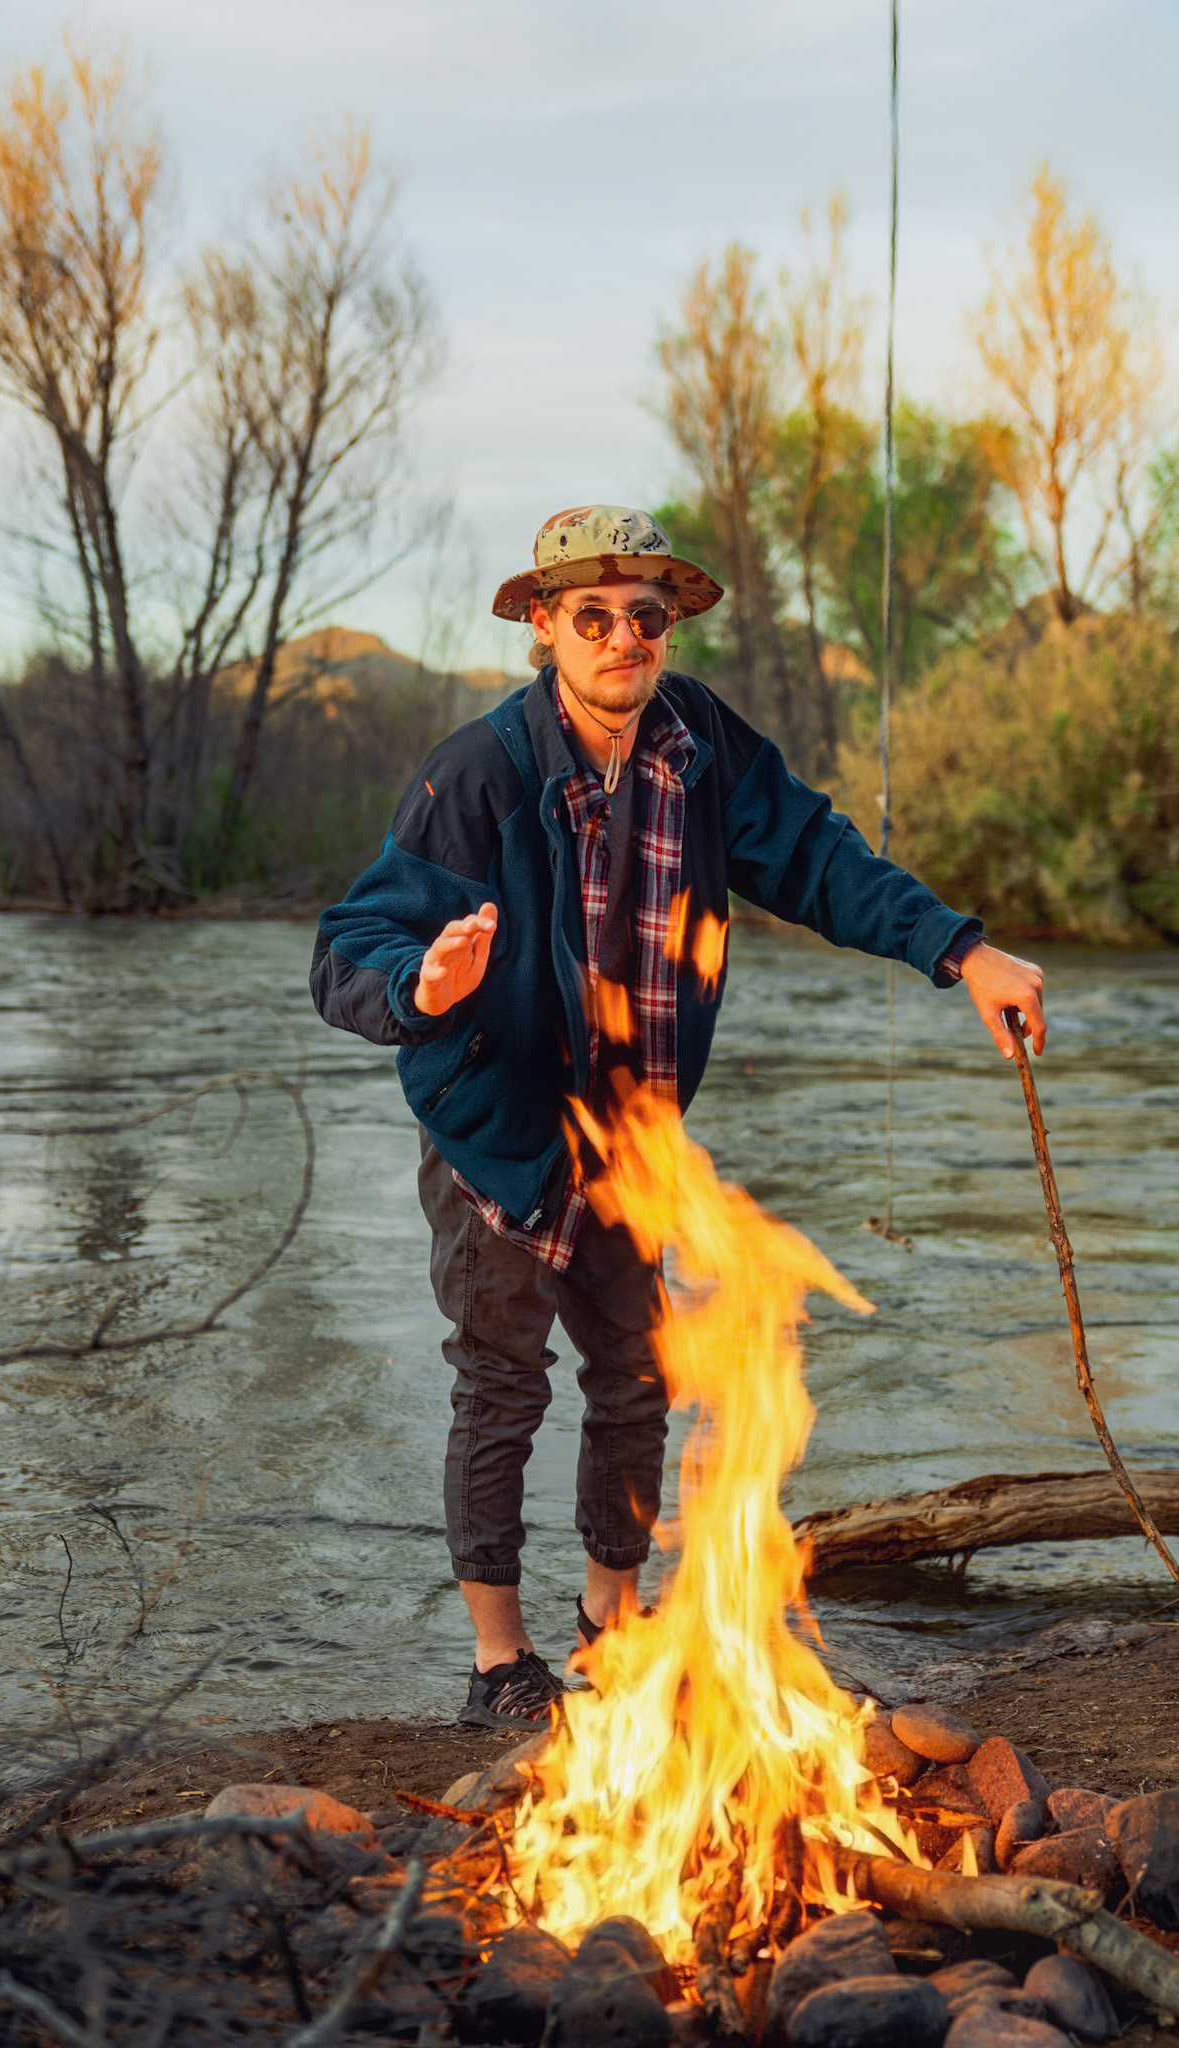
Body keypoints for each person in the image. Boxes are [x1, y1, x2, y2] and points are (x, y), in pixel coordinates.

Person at [311, 504, 1046, 1729]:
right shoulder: (479, 771)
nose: (622, 638)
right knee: (499, 1382)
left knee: (636, 1374)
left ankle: (613, 1633)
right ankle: (499, 1664)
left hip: (634, 1132)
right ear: (545, 628)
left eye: (644, 616)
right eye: (591, 616)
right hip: (497, 1129)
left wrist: (959, 950)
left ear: (667, 628)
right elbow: (352, 940)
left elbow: (819, 859)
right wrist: (420, 986)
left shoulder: (700, 745)